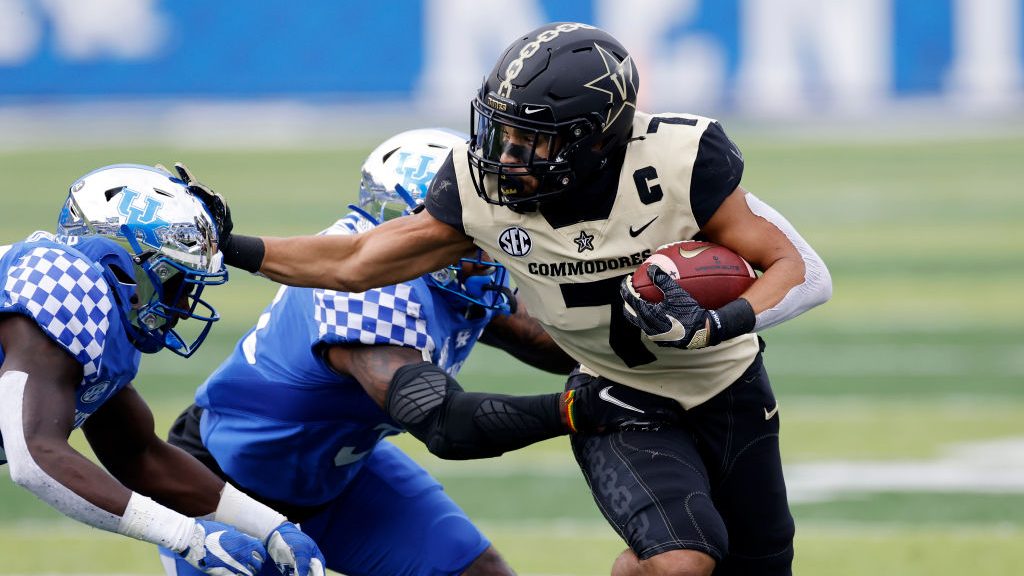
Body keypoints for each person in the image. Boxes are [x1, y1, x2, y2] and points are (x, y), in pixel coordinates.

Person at [198, 22, 833, 576]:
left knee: (760, 561)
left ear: (593, 138)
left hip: (728, 386)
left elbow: (800, 268)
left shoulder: (680, 158)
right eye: (502, 133)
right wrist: (236, 246)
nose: (505, 155)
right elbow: (360, 261)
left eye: (533, 138)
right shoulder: (473, 197)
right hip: (620, 397)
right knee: (681, 559)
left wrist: (717, 321)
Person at [159, 128, 679, 576]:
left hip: (341, 475)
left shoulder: (455, 272)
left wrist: (670, 340)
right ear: (406, 226)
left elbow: (550, 341)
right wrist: (576, 408)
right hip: (225, 485)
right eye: (464, 223)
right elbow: (447, 424)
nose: (484, 241)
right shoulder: (362, 293)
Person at [0, 164, 325, 576]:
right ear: (125, 262)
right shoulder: (63, 285)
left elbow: (139, 455)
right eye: (175, 282)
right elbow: (33, 458)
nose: (185, 304)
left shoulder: (98, 317)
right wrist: (188, 538)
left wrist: (273, 527)